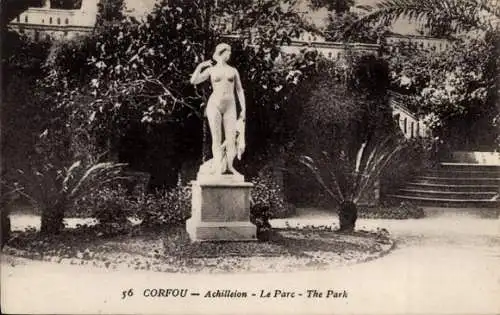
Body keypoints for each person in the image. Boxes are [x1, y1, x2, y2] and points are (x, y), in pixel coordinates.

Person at [190, 43, 246, 177]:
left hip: (230, 106)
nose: (230, 54)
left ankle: (230, 166)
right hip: (214, 104)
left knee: (231, 138)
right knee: (216, 138)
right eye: (228, 51)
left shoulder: (233, 70)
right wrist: (200, 66)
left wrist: (243, 109)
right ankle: (216, 166)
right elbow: (194, 80)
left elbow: (239, 90)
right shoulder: (212, 70)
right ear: (222, 52)